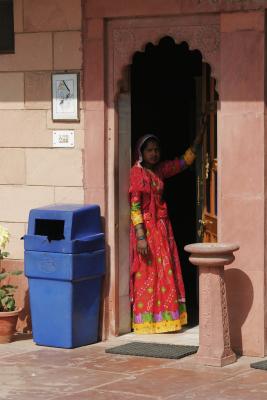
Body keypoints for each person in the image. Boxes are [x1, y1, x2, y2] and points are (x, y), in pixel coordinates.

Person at [129, 120, 206, 334]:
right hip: (146, 229)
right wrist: (141, 236)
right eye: (150, 150)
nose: (154, 153)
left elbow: (183, 162)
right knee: (148, 272)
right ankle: (146, 321)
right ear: (141, 152)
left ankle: (166, 318)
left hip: (162, 227)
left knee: (165, 271)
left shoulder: (159, 171)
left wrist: (198, 141)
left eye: (156, 150)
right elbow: (134, 207)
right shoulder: (137, 174)